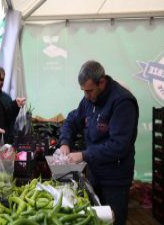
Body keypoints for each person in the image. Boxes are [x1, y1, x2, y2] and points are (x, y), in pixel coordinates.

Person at [59, 60, 139, 225]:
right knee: (94, 219)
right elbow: (72, 120)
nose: (86, 96)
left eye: (89, 91)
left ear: (101, 82)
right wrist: (65, 142)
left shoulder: (123, 102)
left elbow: (119, 146)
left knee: (113, 219)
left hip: (115, 179)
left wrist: (83, 155)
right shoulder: (89, 99)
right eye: (83, 91)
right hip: (95, 174)